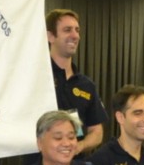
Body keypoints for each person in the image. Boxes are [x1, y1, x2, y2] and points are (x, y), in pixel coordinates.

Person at [45, 9, 107, 156]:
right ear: (50, 36)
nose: (75, 36)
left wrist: (79, 146)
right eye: (67, 30)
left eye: (77, 30)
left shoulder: (86, 85)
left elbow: (97, 131)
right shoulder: (36, 78)